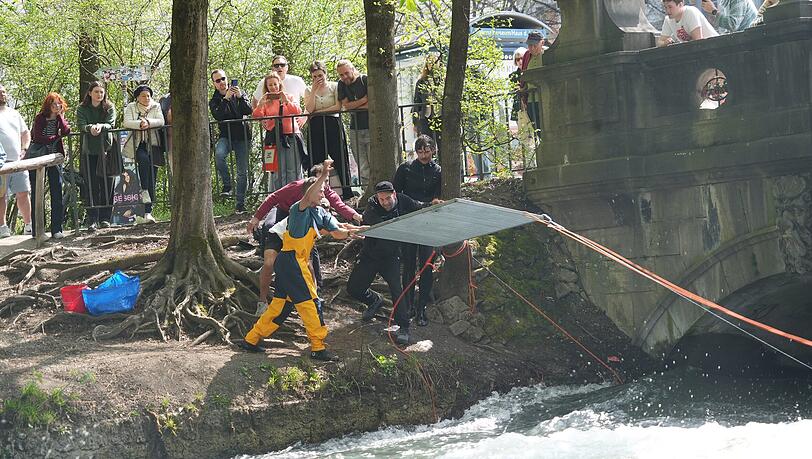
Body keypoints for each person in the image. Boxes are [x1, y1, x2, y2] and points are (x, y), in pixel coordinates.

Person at [240, 159, 362, 361]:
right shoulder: (299, 209)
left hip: (296, 264)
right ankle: (318, 347)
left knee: (279, 307)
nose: (324, 194)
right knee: (311, 304)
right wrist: (323, 175)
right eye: (320, 190)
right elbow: (309, 194)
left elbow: (338, 231)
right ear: (309, 193)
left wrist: (356, 232)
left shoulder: (320, 212)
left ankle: (251, 339)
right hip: (291, 263)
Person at [347, 181, 439, 346]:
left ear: (394, 194)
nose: (385, 202)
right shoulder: (372, 204)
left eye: (388, 198)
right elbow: (372, 221)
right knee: (353, 289)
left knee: (398, 290)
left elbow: (419, 207)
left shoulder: (404, 200)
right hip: (370, 254)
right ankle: (374, 300)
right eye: (381, 199)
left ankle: (404, 327)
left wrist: (432, 204)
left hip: (390, 257)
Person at [393, 135, 442, 326]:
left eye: (427, 151)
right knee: (408, 265)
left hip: (429, 222)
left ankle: (422, 308)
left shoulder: (438, 171)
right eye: (420, 152)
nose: (424, 155)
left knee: (427, 265)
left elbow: (439, 197)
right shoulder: (405, 169)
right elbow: (396, 194)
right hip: (409, 220)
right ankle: (408, 305)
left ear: (433, 150)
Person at [304, 61, 352, 199]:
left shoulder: (335, 86)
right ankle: (313, 191)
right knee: (316, 159)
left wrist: (320, 112)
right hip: (315, 127)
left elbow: (338, 106)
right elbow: (310, 109)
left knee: (340, 157)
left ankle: (347, 192)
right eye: (314, 76)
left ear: (325, 74)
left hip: (333, 123)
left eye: (320, 75)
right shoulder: (308, 90)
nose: (318, 78)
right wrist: (313, 90)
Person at [252, 72, 307, 191]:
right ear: (267, 87)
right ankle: (279, 198)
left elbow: (297, 111)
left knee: (293, 169)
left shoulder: (289, 97)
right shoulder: (266, 101)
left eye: (275, 84)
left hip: (291, 135)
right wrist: (260, 104)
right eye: (270, 85)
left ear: (279, 84)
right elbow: (257, 116)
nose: (273, 87)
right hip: (274, 138)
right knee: (277, 170)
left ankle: (295, 195)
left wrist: (286, 101)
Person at [209, 69, 253, 213]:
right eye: (218, 80)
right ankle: (227, 185)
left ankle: (240, 204)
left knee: (242, 172)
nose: (222, 82)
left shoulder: (240, 93)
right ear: (214, 84)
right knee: (219, 155)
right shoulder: (214, 100)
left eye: (223, 79)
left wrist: (240, 97)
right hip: (225, 135)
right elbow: (218, 115)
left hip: (242, 136)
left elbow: (248, 110)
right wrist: (226, 99)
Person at [29, 92, 71, 239]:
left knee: (57, 191)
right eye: (53, 104)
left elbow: (66, 131)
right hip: (38, 158)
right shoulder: (40, 118)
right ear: (48, 105)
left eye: (59, 103)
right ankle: (37, 230)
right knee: (37, 192)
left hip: (55, 158)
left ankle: (56, 229)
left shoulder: (60, 118)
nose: (56, 106)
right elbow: (39, 137)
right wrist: (56, 136)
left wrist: (59, 116)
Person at [77, 81, 117, 230]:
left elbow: (110, 123)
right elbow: (81, 124)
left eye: (101, 92)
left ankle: (106, 218)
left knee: (108, 185)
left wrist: (100, 126)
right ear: (89, 93)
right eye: (96, 92)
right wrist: (89, 128)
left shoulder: (109, 107)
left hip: (106, 150)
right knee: (92, 185)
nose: (99, 95)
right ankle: (92, 219)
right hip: (89, 152)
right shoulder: (82, 108)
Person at [122, 85, 165, 223]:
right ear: (137, 97)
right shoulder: (131, 107)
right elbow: (127, 122)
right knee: (143, 161)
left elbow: (161, 121)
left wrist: (148, 122)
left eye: (148, 95)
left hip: (153, 144)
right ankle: (144, 190)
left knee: (152, 175)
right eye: (143, 96)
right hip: (138, 145)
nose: (146, 98)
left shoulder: (156, 106)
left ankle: (148, 212)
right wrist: (140, 124)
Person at [0, 83, 33, 238]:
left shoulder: (14, 114)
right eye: (0, 92)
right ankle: (2, 226)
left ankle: (28, 225)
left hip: (18, 161)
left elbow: (25, 133)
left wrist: (24, 149)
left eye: (4, 92)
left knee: (23, 192)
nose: (2, 94)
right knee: (1, 195)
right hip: (1, 163)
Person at [336, 59, 370, 189]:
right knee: (362, 165)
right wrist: (363, 100)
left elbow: (371, 103)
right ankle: (366, 191)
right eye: (341, 75)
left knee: (373, 162)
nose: (344, 77)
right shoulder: (341, 84)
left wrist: (354, 105)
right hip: (354, 128)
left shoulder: (364, 80)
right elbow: (346, 106)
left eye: (346, 73)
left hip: (369, 126)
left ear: (352, 69)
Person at [411, 55, 441, 153]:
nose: (432, 64)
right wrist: (415, 122)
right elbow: (416, 102)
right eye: (429, 62)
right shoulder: (421, 81)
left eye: (434, 62)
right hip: (426, 117)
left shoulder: (442, 81)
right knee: (427, 144)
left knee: (442, 144)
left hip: (440, 116)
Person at [521, 32, 546, 139]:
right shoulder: (527, 55)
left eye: (534, 45)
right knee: (536, 127)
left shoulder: (548, 53)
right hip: (531, 99)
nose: (531, 48)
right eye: (529, 45)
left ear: (542, 43)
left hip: (545, 98)